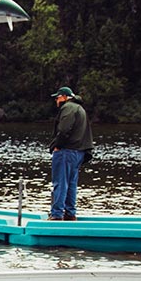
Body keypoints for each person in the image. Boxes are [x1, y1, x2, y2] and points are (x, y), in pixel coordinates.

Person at [48, 86, 93, 220]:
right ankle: (70, 214)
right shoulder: (80, 108)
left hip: (66, 151)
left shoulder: (68, 108)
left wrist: (56, 145)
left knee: (60, 182)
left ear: (64, 97)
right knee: (71, 184)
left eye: (57, 97)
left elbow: (64, 129)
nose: (56, 100)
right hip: (78, 152)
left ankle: (56, 215)